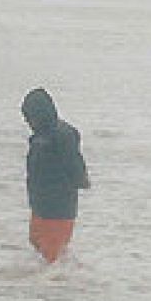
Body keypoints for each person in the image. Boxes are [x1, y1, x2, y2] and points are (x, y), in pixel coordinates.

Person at [21, 88, 90, 263]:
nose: (28, 121)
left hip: (58, 207)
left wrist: (81, 180)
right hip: (41, 205)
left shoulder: (63, 135)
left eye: (29, 116)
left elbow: (74, 165)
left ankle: (60, 285)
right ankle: (57, 282)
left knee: (52, 257)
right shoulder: (40, 135)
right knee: (39, 247)